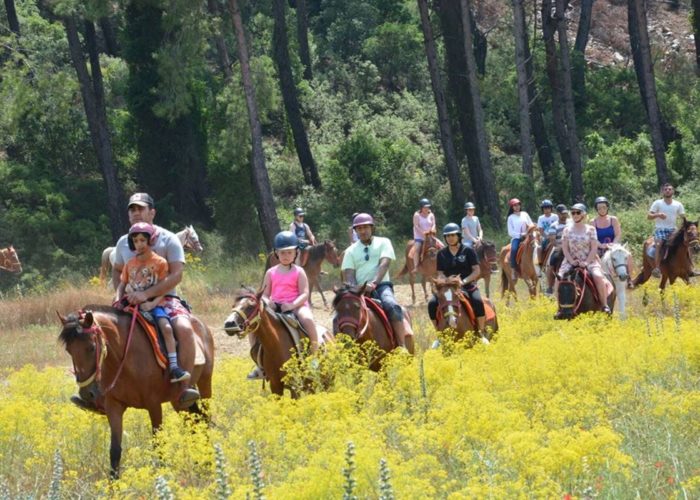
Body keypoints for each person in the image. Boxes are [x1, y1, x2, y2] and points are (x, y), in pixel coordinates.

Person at [110, 192, 199, 405]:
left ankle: (183, 386)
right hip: (130, 300)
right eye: (132, 209)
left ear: (152, 212)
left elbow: (176, 275)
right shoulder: (124, 243)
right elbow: (117, 270)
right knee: (101, 331)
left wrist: (147, 295)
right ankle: (103, 390)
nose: (136, 213)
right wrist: (119, 296)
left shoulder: (169, 239)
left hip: (165, 299)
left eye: (141, 208)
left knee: (184, 328)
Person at [117, 222, 190, 383]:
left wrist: (152, 304)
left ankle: (174, 366)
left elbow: (164, 287)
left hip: (154, 304)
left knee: (166, 327)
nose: (139, 244)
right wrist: (118, 300)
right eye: (136, 241)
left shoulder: (160, 263)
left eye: (143, 240)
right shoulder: (129, 264)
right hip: (131, 305)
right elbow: (122, 284)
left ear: (151, 241)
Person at [248, 231, 321, 380]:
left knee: (307, 320)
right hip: (275, 307)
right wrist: (269, 303)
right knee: (253, 327)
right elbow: (265, 294)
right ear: (276, 253)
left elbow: (304, 293)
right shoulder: (271, 272)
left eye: (289, 252)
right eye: (282, 253)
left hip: (296, 305)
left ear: (296, 253)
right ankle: (259, 364)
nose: (286, 256)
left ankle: (314, 356)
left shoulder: (299, 271)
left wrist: (292, 305)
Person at [342, 213, 413, 352]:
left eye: (365, 227)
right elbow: (349, 275)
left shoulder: (384, 242)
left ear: (372, 228)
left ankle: (401, 345)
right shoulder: (350, 251)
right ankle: (344, 352)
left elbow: (384, 264)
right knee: (341, 315)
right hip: (358, 290)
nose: (362, 231)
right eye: (359, 228)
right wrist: (356, 288)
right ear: (355, 231)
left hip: (381, 286)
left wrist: (374, 283)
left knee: (391, 305)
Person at [428, 223, 487, 337]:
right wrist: (446, 282)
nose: (450, 238)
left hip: (467, 285)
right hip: (448, 288)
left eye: (453, 235)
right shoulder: (441, 254)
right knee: (432, 304)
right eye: (447, 236)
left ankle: (481, 332)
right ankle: (439, 335)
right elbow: (440, 273)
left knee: (478, 301)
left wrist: (463, 281)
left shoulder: (468, 250)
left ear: (459, 236)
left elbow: (476, 270)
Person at [558, 203, 611, 314]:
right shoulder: (566, 230)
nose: (575, 215)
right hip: (570, 261)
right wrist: (572, 262)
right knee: (559, 279)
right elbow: (565, 249)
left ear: (583, 214)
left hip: (589, 261)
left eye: (578, 212)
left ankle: (604, 305)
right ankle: (560, 307)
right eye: (573, 213)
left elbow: (594, 248)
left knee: (597, 276)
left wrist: (586, 262)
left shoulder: (591, 229)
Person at [592, 196, 634, 287]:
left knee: (628, 255)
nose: (602, 210)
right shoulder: (593, 222)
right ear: (596, 209)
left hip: (614, 245)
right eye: (599, 208)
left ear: (607, 207)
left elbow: (618, 234)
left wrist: (613, 244)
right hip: (599, 246)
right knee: (593, 259)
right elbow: (593, 238)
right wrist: (601, 245)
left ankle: (629, 278)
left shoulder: (613, 219)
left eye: (604, 207)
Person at [648, 183, 685, 277]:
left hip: (673, 229)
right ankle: (656, 269)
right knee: (658, 244)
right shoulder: (657, 203)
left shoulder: (678, 204)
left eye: (669, 189)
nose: (668, 191)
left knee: (685, 242)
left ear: (673, 191)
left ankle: (688, 266)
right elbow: (649, 216)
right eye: (665, 189)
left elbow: (683, 217)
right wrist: (658, 214)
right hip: (660, 229)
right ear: (662, 192)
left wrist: (685, 226)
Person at [544, 204, 570, 295]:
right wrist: (562, 246)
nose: (564, 215)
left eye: (566, 213)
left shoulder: (571, 223)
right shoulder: (554, 226)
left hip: (572, 248)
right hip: (559, 248)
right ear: (558, 214)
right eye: (562, 214)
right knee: (552, 263)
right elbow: (553, 240)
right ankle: (550, 287)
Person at [506, 198, 533, 280]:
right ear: (512, 207)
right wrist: (521, 235)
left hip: (528, 236)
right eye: (515, 205)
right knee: (514, 249)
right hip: (517, 238)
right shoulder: (510, 218)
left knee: (537, 246)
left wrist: (530, 230)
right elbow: (510, 232)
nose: (517, 207)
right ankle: (513, 269)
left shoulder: (525, 214)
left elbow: (530, 223)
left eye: (518, 205)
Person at [411, 198, 438, 273]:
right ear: (421, 207)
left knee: (441, 246)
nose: (427, 208)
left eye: (428, 207)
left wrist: (432, 229)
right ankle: (416, 267)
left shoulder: (431, 214)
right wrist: (423, 233)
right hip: (419, 236)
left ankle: (441, 264)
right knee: (417, 249)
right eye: (425, 207)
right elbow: (416, 226)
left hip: (430, 236)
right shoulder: (416, 215)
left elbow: (434, 223)